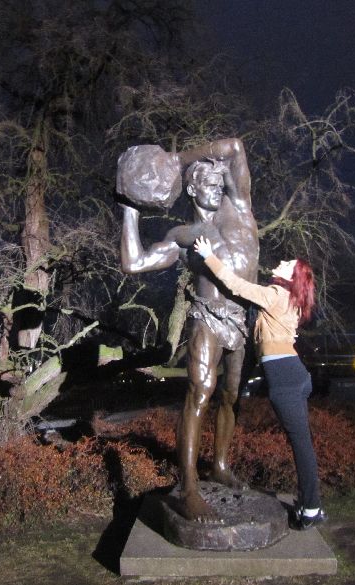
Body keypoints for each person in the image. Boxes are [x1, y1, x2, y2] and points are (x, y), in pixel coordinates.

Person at [120, 138, 258, 523]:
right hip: (206, 317)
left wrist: (176, 159)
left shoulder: (241, 208)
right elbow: (134, 263)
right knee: (200, 393)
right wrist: (129, 209)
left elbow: (234, 147)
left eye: (221, 182)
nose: (219, 188)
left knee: (231, 396)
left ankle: (221, 466)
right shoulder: (183, 235)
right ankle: (189, 489)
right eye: (210, 184)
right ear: (193, 189)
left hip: (241, 320)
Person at [193, 235, 327, 530]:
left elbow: (236, 286)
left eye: (288, 263)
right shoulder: (290, 301)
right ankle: (311, 503)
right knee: (302, 444)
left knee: (301, 446)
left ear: (292, 277)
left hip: (286, 380)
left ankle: (312, 508)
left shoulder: (276, 294)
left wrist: (208, 255)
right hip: (292, 375)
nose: (281, 261)